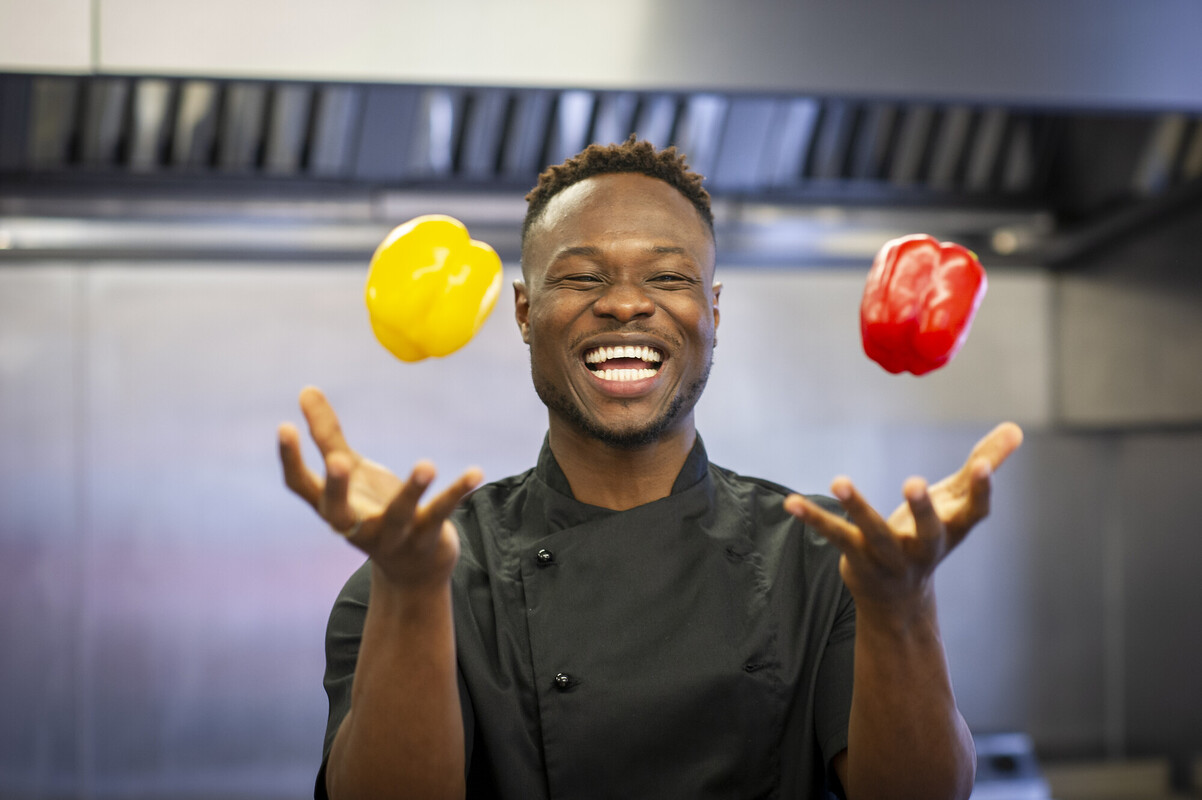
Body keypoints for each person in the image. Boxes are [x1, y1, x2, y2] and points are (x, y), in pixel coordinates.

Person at [278, 137, 1024, 800]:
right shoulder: (420, 572)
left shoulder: (829, 560)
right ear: (524, 313)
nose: (626, 305)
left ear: (713, 312)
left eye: (667, 278)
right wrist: (410, 591)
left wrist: (903, 604)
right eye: (581, 279)